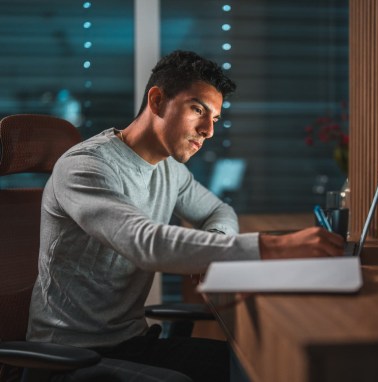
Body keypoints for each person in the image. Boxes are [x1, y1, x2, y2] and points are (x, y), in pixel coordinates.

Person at [27, 50, 344, 381]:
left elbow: (218, 211)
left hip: (131, 343)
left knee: (249, 367)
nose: (208, 130)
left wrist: (213, 252)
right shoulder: (86, 166)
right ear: (158, 101)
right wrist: (275, 247)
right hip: (65, 357)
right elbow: (144, 242)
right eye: (198, 110)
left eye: (216, 119)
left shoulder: (169, 169)